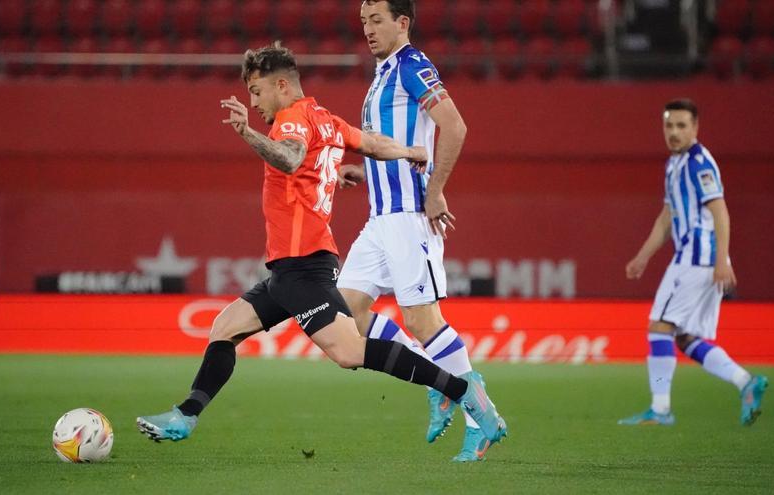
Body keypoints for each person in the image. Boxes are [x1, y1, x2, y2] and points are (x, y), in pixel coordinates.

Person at [136, 43, 505, 445]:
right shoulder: (323, 118)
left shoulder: (291, 120)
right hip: (287, 270)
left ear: (281, 85)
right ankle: (185, 416)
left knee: (349, 352)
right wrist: (411, 151)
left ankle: (463, 391)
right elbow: (371, 143)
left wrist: (247, 133)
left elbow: (290, 158)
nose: (254, 103)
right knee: (225, 327)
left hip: (304, 266)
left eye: (257, 92)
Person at [335, 0, 506, 462]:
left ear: (402, 22)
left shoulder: (412, 64)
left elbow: (455, 126)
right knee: (345, 312)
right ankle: (441, 380)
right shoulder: (382, 72)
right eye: (363, 22)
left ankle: (480, 420)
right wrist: (364, 171)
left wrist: (435, 190)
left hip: (411, 215)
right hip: (380, 216)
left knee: (423, 322)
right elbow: (401, 144)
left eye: (377, 20)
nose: (368, 30)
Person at [618, 98, 768, 426]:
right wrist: (643, 256)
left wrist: (721, 261)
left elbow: (720, 212)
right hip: (696, 259)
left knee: (659, 328)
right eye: (669, 125)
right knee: (685, 338)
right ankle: (746, 382)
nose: (674, 132)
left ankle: (660, 409)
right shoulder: (675, 164)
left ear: (696, 128)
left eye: (681, 126)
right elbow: (667, 217)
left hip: (697, 259)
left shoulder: (699, 163)